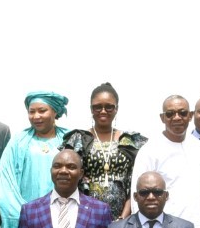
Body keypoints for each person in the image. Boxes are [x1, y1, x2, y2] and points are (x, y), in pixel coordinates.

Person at [61, 83, 147, 219]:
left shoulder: (129, 141)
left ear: (116, 109)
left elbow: (135, 182)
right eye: (97, 107)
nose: (103, 111)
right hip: (84, 215)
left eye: (109, 106)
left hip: (124, 215)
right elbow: (67, 178)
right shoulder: (78, 139)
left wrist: (123, 218)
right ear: (91, 109)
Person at [0, 91, 70, 228]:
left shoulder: (69, 139)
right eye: (31, 112)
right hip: (26, 220)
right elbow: (4, 182)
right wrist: (27, 214)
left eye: (42, 111)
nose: (36, 116)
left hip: (65, 217)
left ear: (55, 112)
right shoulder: (18, 141)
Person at [132, 95, 200, 228]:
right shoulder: (149, 151)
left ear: (191, 115)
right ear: (162, 118)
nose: (177, 117)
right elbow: (138, 196)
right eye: (170, 114)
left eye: (182, 113)